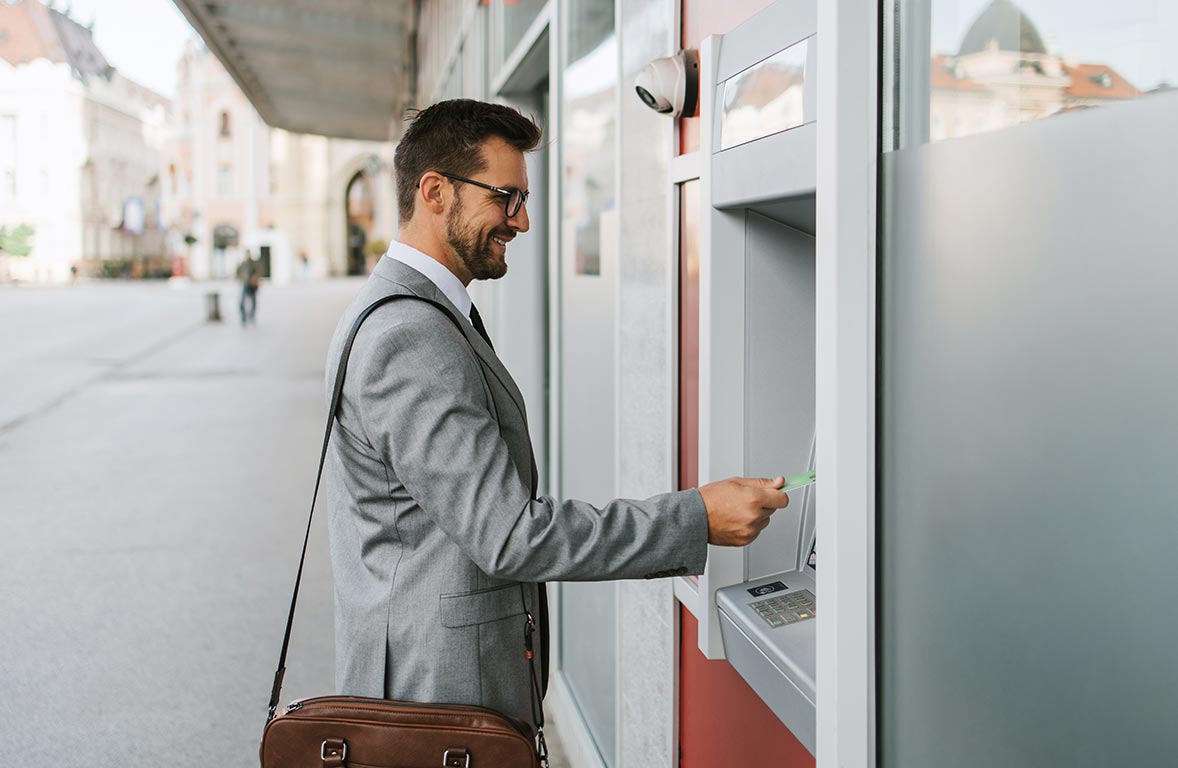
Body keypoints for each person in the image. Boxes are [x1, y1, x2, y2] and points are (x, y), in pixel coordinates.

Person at [323, 99, 789, 733]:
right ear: (434, 192)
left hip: (434, 686)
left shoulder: (405, 312)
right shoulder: (410, 336)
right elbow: (509, 536)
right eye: (505, 197)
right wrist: (696, 516)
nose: (522, 219)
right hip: (437, 703)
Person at [236, 249, 261, 325]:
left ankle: (252, 315)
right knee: (242, 301)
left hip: (252, 285)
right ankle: (243, 316)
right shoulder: (243, 263)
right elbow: (238, 272)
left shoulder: (254, 264)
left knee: (253, 301)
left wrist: (255, 279)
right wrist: (241, 278)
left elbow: (258, 272)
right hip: (245, 284)